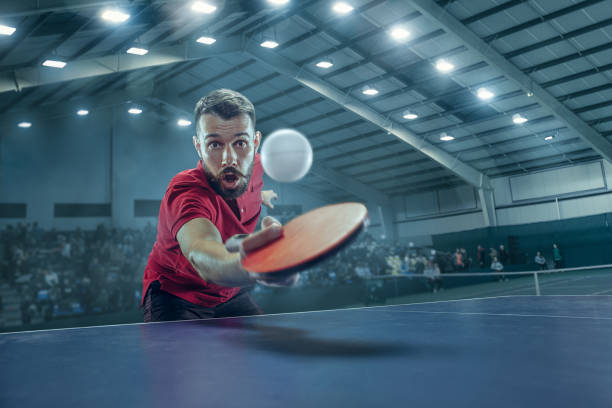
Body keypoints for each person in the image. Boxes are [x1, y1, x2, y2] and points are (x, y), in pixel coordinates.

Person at [141, 89, 297, 322]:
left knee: (264, 353)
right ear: (198, 147)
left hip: (230, 293)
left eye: (240, 143)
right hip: (178, 296)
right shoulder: (186, 191)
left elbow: (244, 188)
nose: (229, 159)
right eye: (215, 145)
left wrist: (262, 195)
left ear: (255, 143)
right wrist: (255, 266)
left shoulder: (254, 166)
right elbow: (201, 250)